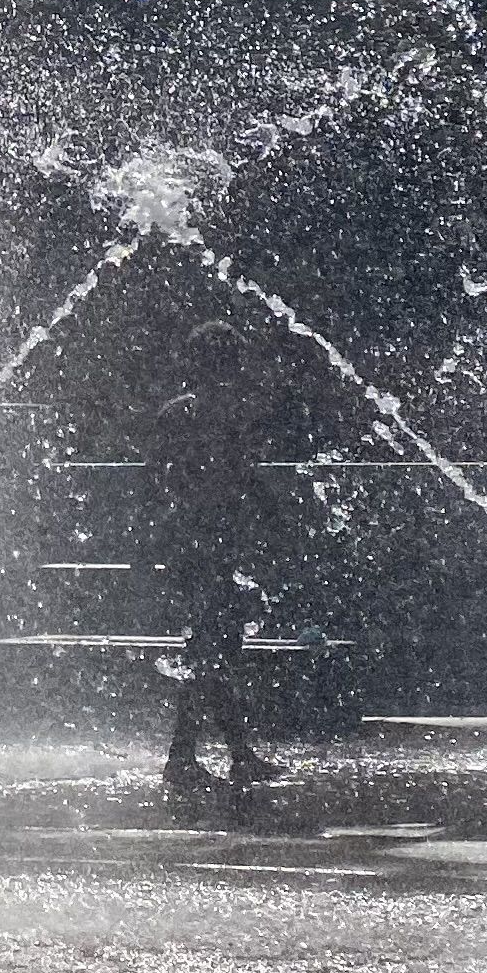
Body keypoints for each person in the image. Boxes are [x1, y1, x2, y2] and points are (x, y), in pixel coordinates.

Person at [152, 323, 290, 798]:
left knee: (215, 650)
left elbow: (170, 482)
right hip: (205, 549)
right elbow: (235, 479)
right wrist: (271, 515)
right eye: (230, 359)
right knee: (213, 651)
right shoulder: (216, 415)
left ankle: (222, 753)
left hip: (199, 547)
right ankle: (192, 756)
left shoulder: (181, 414)